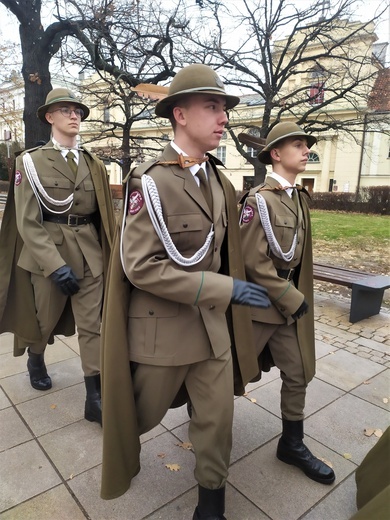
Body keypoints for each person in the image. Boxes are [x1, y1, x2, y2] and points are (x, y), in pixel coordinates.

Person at [100, 64, 270, 519]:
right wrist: (223, 287)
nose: (224, 119)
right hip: (162, 334)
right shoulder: (151, 181)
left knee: (216, 422)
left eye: (224, 109)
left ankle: (211, 502)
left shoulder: (219, 180)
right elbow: (139, 266)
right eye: (212, 107)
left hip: (211, 330)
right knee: (134, 418)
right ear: (180, 114)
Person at [0, 88, 115, 426]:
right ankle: (36, 357)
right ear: (50, 117)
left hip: (90, 253)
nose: (74, 115)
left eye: (78, 110)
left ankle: (94, 396)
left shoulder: (93, 164)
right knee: (43, 320)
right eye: (66, 110)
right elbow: (27, 221)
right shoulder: (30, 162)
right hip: (48, 255)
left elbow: (101, 215)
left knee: (93, 326)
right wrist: (54, 265)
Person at [239, 121, 336, 485]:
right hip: (260, 309)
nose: (306, 150)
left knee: (298, 373)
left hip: (287, 309)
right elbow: (253, 260)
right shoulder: (258, 201)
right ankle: (200, 416)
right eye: (298, 145)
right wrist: (291, 297)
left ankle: (291, 444)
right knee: (231, 374)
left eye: (307, 145)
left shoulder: (297, 198)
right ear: (276, 154)